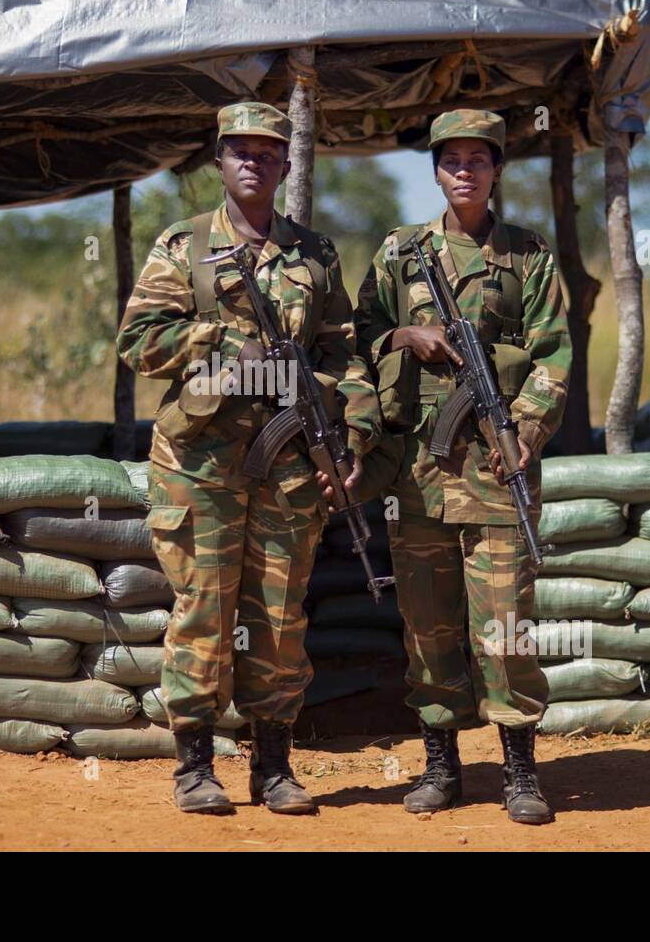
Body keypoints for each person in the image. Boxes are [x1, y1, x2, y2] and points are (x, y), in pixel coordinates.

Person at [116, 101, 379, 815]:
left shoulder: (316, 254)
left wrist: (346, 426)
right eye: (241, 149)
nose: (254, 161)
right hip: (200, 460)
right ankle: (195, 768)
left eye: (268, 151)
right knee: (204, 607)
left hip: (289, 459)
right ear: (220, 160)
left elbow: (344, 351)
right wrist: (221, 348)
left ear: (286, 164)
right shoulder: (183, 246)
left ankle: (274, 768)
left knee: (279, 612)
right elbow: (138, 344)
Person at [352, 109, 571, 824]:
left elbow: (556, 355)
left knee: (505, 627)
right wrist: (405, 335)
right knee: (428, 629)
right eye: (453, 160)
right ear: (437, 169)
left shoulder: (530, 256)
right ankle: (441, 767)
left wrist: (526, 430)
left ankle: (519, 771)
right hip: (418, 474)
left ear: (498, 168)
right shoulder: (400, 251)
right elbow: (354, 338)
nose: (466, 171)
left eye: (480, 159)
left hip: (500, 469)